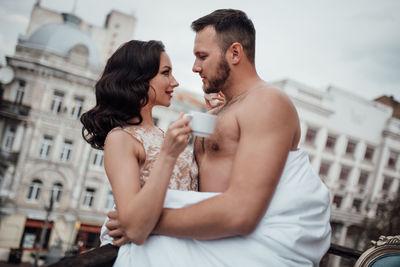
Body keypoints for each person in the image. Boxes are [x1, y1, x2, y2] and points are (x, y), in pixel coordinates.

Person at [105, 9, 331, 267]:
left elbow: (241, 213)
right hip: (203, 243)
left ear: (235, 53)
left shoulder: (268, 102)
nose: (194, 67)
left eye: (202, 56)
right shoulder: (219, 111)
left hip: (232, 244)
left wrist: (143, 223)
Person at [80, 39, 197, 247]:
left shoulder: (163, 134)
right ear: (138, 78)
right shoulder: (120, 138)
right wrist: (168, 155)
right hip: (153, 251)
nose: (175, 82)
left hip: (188, 242)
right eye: (165, 73)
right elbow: (134, 226)